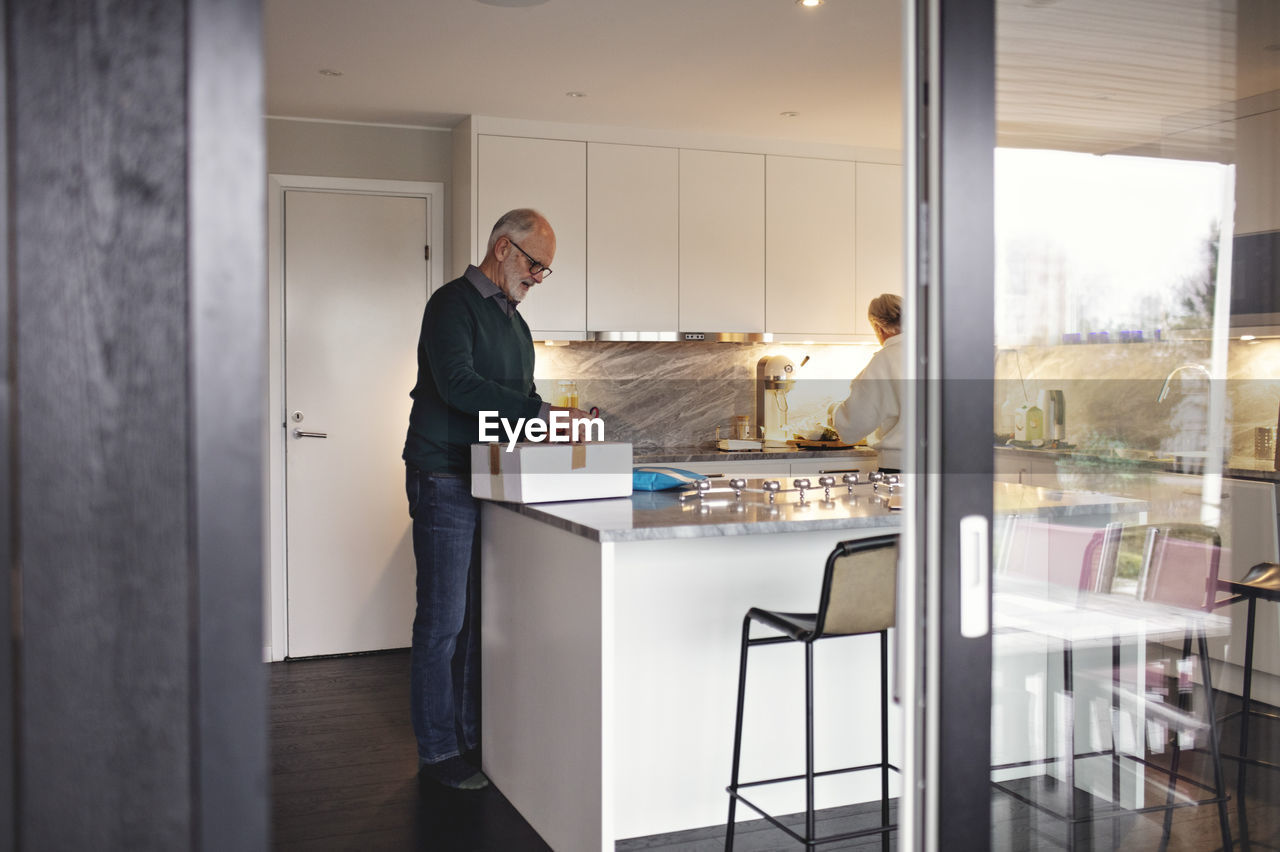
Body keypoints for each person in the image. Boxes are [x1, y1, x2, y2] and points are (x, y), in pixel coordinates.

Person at [402, 208, 588, 790]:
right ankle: (437, 752)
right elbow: (458, 385)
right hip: (445, 476)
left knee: (479, 619)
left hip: (491, 477)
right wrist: (538, 413)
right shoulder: (450, 304)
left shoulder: (517, 324)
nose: (538, 277)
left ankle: (473, 739)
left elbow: (522, 397)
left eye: (545, 271)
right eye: (536, 264)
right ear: (504, 248)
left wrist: (561, 425)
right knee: (443, 621)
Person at [830, 293, 905, 472]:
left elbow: (853, 426)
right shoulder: (940, 351)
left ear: (879, 327)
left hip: (900, 467)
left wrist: (832, 411)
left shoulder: (884, 360)